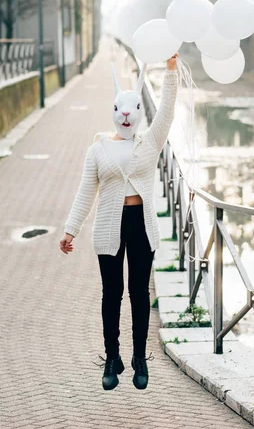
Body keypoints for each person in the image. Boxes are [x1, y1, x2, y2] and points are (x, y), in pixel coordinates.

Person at [59, 53, 179, 391]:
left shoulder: (151, 142)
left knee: (139, 293)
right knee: (111, 294)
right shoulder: (97, 149)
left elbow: (167, 111)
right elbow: (86, 191)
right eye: (120, 109)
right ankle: (112, 357)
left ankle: (140, 358)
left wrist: (169, 70)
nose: (126, 115)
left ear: (138, 112)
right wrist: (71, 229)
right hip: (108, 226)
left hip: (142, 224)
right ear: (113, 111)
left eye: (131, 109)